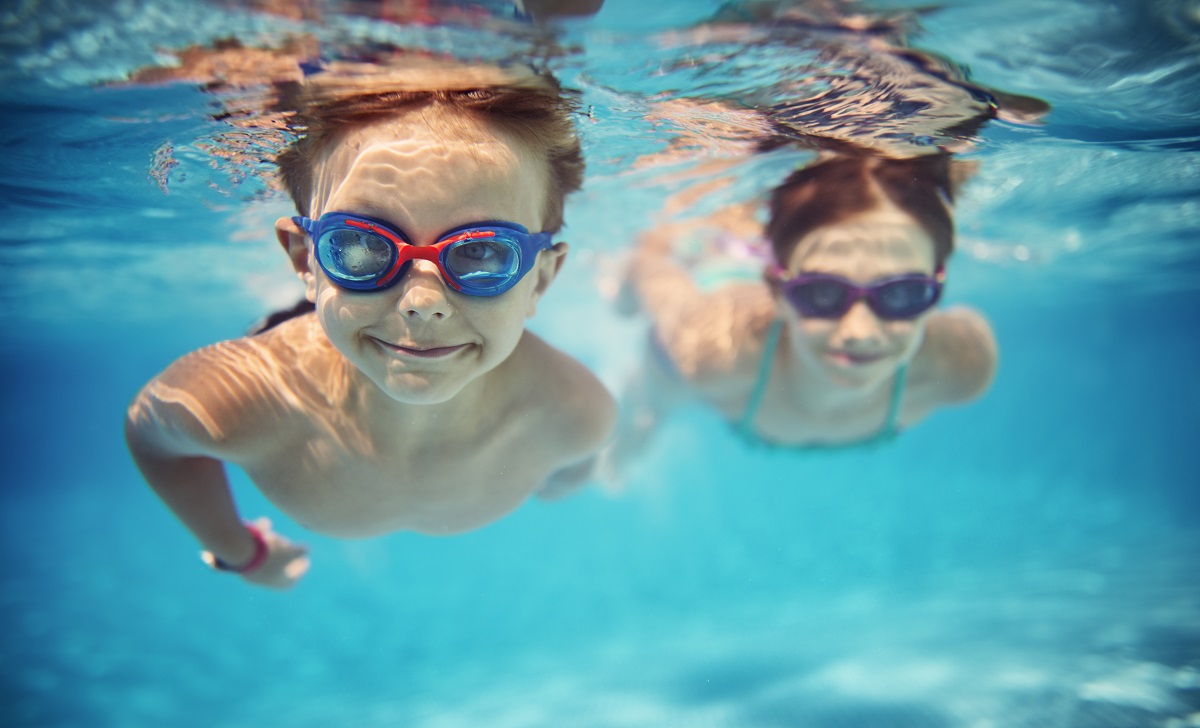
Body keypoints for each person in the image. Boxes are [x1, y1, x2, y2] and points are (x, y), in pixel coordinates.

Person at [125, 59, 617, 589]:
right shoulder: (238, 400)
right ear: (304, 261)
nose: (422, 302)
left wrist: (563, 475)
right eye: (360, 244)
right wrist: (237, 551)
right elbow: (151, 437)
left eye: (481, 253)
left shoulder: (575, 415)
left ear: (540, 280)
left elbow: (577, 463)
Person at [603, 153, 996, 477]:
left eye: (903, 293)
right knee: (652, 407)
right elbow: (648, 263)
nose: (860, 331)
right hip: (716, 289)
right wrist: (624, 300)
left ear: (937, 286)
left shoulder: (962, 366)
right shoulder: (713, 349)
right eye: (823, 293)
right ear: (777, 291)